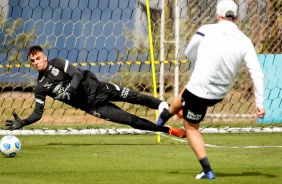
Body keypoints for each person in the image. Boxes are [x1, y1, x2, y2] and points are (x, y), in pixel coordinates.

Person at [156, 0, 265, 180]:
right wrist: (259, 104)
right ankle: (166, 115)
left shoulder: (206, 29)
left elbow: (189, 53)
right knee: (187, 90)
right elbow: (257, 74)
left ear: (217, 15)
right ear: (236, 17)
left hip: (201, 90)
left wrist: (201, 59)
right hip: (220, 93)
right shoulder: (245, 41)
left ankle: (207, 170)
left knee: (191, 127)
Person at [5, 45, 186, 138]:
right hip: (93, 106)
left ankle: (173, 109)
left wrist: (70, 89)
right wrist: (24, 122)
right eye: (33, 61)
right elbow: (38, 113)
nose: (36, 62)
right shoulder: (40, 87)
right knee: (131, 120)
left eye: (38, 58)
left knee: (137, 97)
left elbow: (76, 74)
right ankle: (168, 130)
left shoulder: (58, 62)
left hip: (101, 88)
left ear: (44, 56)